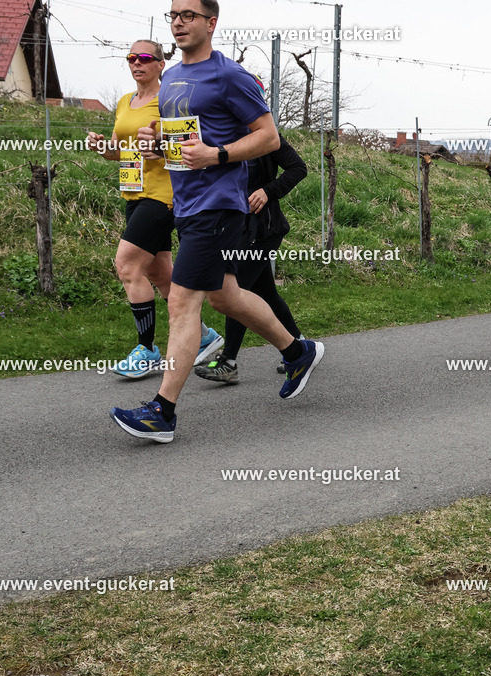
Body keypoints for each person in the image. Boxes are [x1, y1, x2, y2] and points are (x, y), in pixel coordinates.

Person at [110, 0, 323, 443]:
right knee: (226, 297)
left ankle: (162, 412)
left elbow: (269, 136)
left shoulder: (229, 75)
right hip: (185, 205)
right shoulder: (170, 80)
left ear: (211, 22)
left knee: (182, 301)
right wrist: (155, 143)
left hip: (220, 205)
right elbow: (180, 141)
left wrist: (219, 154)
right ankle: (297, 350)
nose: (178, 22)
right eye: (173, 15)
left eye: (188, 15)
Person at [86, 39, 223, 379]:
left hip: (164, 196)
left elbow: (188, 146)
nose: (137, 63)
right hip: (134, 193)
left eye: (145, 58)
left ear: (161, 64)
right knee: (161, 275)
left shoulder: (169, 100)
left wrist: (159, 146)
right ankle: (205, 336)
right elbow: (120, 152)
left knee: (127, 264)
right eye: (131, 57)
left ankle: (146, 349)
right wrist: (103, 148)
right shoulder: (124, 102)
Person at [195, 128, 307, 383]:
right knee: (266, 293)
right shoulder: (220, 132)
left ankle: (228, 362)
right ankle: (300, 347)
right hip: (234, 229)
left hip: (262, 229)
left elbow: (298, 168)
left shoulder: (265, 134)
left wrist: (268, 191)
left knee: (236, 291)